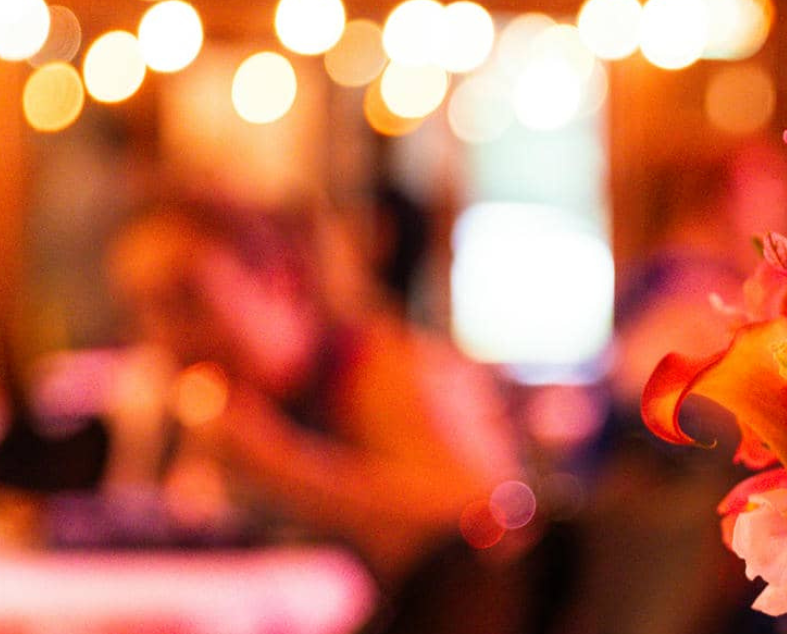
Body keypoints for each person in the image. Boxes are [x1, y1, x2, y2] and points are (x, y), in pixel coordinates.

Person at [107, 192, 519, 585]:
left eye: (185, 301)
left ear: (279, 282)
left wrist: (284, 467)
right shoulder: (238, 404)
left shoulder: (378, 370)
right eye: (143, 308)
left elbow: (495, 529)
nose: (163, 336)